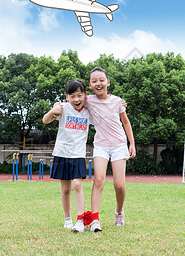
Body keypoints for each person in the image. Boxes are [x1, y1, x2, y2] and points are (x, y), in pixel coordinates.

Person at [85, 67, 136, 232]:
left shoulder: (117, 101)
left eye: (101, 80)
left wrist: (132, 143)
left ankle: (119, 212)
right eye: (94, 81)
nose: (98, 83)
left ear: (108, 82)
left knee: (119, 185)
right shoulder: (88, 100)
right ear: (90, 86)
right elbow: (74, 99)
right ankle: (94, 220)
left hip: (119, 145)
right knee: (98, 179)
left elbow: (126, 122)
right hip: (100, 145)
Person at [42, 79, 92, 233]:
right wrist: (53, 110)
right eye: (72, 96)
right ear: (67, 97)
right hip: (62, 152)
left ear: (85, 95)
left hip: (78, 154)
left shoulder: (90, 110)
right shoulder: (62, 108)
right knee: (65, 190)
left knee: (77, 185)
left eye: (79, 95)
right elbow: (45, 121)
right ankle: (67, 219)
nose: (76, 99)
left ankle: (80, 220)